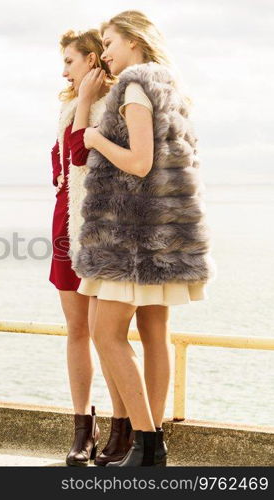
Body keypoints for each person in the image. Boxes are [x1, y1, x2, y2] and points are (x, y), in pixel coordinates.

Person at [75, 11, 213, 466]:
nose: (106, 51)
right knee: (155, 333)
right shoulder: (172, 89)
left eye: (110, 42)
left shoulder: (134, 88)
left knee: (105, 332)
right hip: (165, 237)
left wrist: (94, 137)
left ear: (134, 41)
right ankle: (145, 448)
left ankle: (148, 441)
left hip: (129, 237)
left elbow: (138, 162)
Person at [50, 29, 129, 466]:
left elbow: (82, 155)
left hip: (99, 227)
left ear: (93, 60)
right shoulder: (66, 106)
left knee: (107, 334)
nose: (63, 70)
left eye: (69, 61)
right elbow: (60, 163)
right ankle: (83, 426)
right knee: (76, 330)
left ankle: (123, 425)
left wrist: (84, 102)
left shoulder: (114, 103)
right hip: (64, 222)